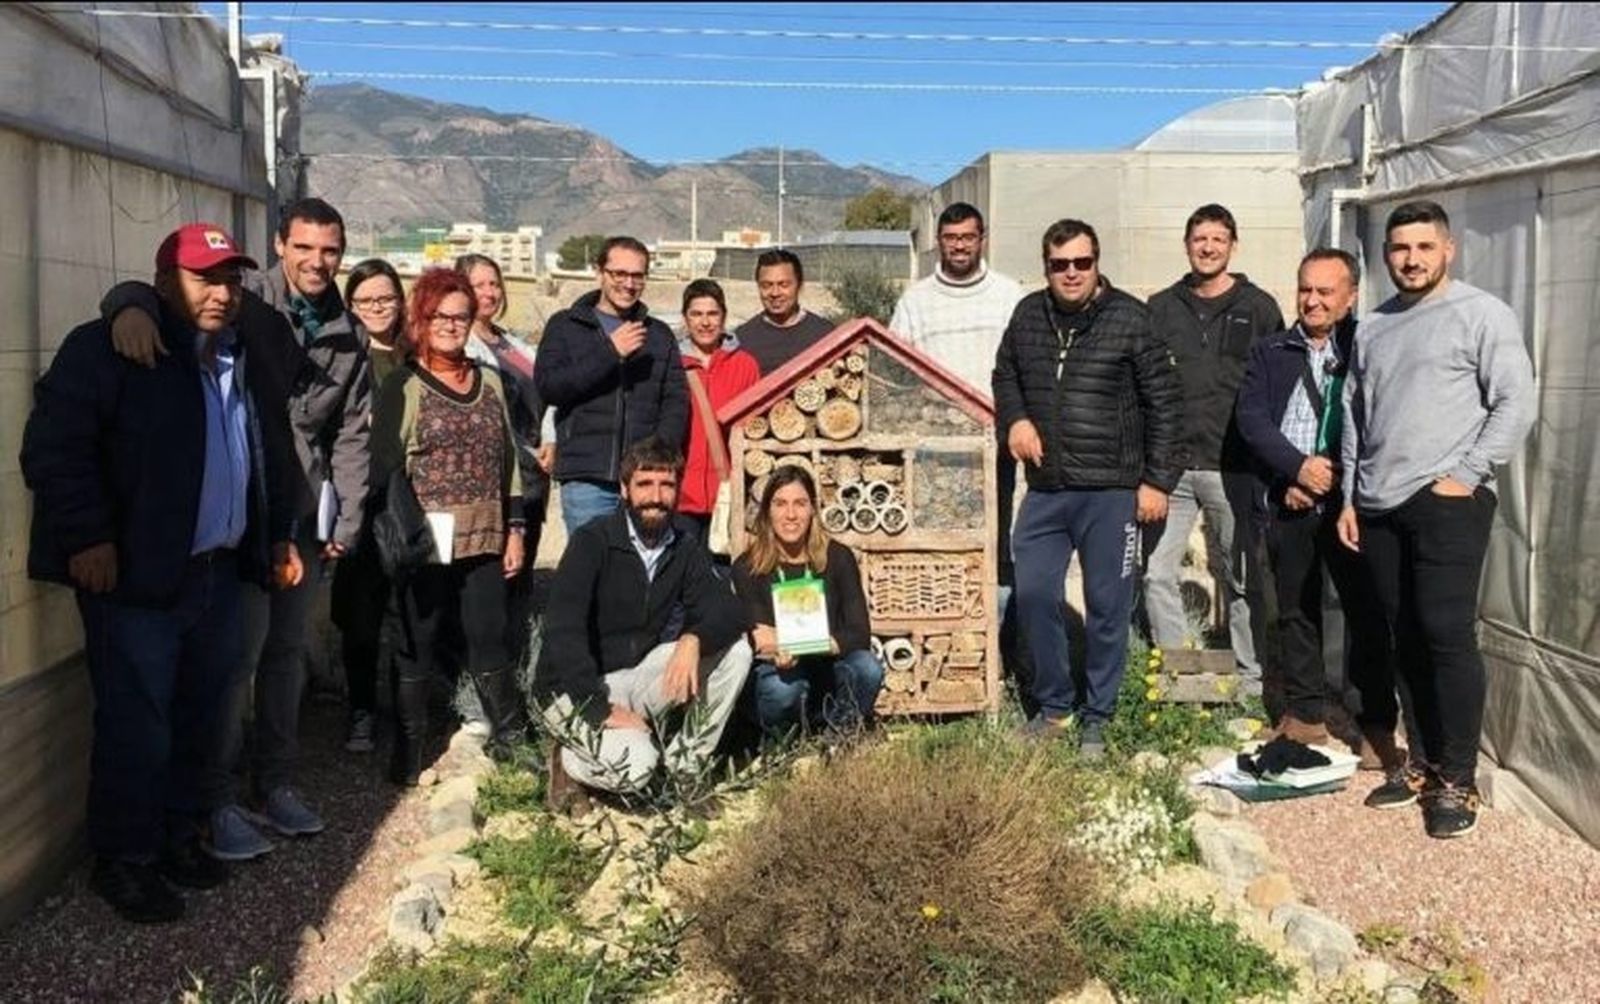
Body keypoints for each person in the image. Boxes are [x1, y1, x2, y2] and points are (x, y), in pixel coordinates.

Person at [20, 223, 302, 922]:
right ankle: (126, 860)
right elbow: (55, 447)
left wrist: (269, 537)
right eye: (205, 278)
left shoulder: (237, 355)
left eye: (231, 279)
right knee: (136, 724)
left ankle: (177, 836)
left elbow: (259, 456)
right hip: (138, 580)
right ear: (163, 281)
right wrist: (87, 536)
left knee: (202, 718)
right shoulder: (114, 348)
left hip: (218, 573)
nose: (221, 292)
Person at [102, 197, 370, 856]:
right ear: (280, 246)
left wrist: (349, 519)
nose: (317, 261)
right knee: (233, 659)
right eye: (304, 247)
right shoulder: (245, 299)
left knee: (284, 655)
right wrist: (126, 306)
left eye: (330, 250)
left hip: (299, 514)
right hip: (243, 513)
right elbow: (158, 287)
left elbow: (354, 433)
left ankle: (275, 781)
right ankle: (214, 796)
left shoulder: (347, 330)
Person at [1337, 201, 1534, 839]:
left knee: (1446, 632)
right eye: (1399, 248)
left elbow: (1515, 400)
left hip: (1446, 498)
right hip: (1378, 501)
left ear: (1447, 250)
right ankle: (1419, 761)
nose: (1411, 259)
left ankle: (1458, 778)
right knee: (1402, 633)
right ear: (1385, 255)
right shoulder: (1372, 326)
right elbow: (1356, 417)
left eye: (1424, 247)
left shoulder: (1480, 314)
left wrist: (1468, 475)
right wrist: (1347, 495)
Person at [992, 219, 1183, 756]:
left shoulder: (1130, 318)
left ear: (1097, 262)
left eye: (1082, 262)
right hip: (1048, 489)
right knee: (1032, 595)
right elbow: (1004, 373)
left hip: (1112, 491)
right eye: (1060, 264)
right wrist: (1016, 420)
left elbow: (1165, 404)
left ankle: (1097, 715)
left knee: (1107, 605)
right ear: (1046, 267)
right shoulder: (1029, 314)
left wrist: (1156, 480)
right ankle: (1055, 709)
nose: (1071, 273)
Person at [1235, 249, 1400, 761]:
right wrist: (1294, 470)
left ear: (1350, 297)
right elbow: (1252, 418)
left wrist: (1328, 470)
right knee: (1296, 611)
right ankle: (1306, 715)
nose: (1312, 300)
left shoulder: (1366, 347)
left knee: (1364, 611)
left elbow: (1380, 416)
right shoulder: (1271, 351)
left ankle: (1375, 722)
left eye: (1325, 292)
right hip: (1292, 498)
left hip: (1351, 501)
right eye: (1306, 289)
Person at [370, 268, 531, 785]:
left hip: (484, 530)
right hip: (427, 533)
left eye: (461, 317)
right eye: (441, 316)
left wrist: (517, 528)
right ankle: (409, 748)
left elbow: (508, 459)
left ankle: (511, 737)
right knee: (418, 636)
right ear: (421, 319)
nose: (452, 326)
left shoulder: (490, 383)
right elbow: (384, 466)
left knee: (488, 635)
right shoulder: (404, 386)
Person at [532, 437, 752, 803]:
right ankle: (567, 761)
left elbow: (729, 611)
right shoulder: (593, 542)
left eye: (666, 485)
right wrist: (599, 710)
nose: (655, 496)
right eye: (644, 484)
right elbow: (563, 631)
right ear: (624, 489)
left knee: (737, 651)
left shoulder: (682, 547)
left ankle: (686, 766)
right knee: (637, 769)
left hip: (634, 678)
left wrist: (693, 639)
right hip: (574, 690)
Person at [1142, 204, 1284, 693]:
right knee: (1158, 572)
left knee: (1240, 576)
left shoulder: (1259, 307)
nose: (1208, 247)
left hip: (1235, 467)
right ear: (1187, 245)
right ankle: (1184, 679)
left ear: (1232, 246)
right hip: (1172, 469)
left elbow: (1277, 385)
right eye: (1199, 239)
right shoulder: (1160, 308)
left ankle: (1249, 682)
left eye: (1217, 239)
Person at [888, 201, 1028, 692]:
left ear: (982, 238)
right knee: (937, 552)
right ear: (939, 242)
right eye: (951, 238)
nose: (960, 246)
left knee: (995, 550)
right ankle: (942, 653)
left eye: (968, 237)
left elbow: (1024, 366)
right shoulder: (915, 301)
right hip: (934, 456)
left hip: (995, 451)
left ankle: (996, 654)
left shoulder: (1010, 296)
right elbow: (896, 376)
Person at [534, 236, 688, 533]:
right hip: (587, 479)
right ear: (599, 272)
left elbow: (675, 401)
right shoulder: (565, 326)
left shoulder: (659, 335)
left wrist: (657, 458)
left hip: (645, 479)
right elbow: (550, 386)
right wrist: (609, 353)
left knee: (645, 570)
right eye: (619, 274)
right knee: (592, 567)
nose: (628, 284)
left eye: (637, 276)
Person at [731, 467, 883, 739]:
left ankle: (840, 736)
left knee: (867, 668)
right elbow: (760, 636)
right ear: (767, 512)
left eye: (800, 504)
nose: (791, 515)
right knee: (782, 688)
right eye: (781, 504)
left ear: (812, 509)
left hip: (829, 669)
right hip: (779, 671)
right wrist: (776, 645)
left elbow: (859, 633)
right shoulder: (747, 567)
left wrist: (804, 642)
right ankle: (782, 745)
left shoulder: (838, 557)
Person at [456, 253, 550, 683]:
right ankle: (478, 685)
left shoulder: (513, 343)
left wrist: (552, 441)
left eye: (494, 283)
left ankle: (515, 677)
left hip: (532, 481)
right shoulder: (460, 349)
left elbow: (549, 397)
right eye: (478, 285)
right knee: (486, 587)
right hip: (490, 484)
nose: (490, 293)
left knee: (520, 582)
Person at [330, 258, 406, 754]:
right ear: (350, 305)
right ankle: (361, 708)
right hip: (361, 501)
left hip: (413, 503)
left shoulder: (418, 356)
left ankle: (408, 711)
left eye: (386, 298)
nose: (377, 308)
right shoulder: (342, 357)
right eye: (366, 300)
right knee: (361, 615)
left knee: (413, 610)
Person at [677, 279, 760, 546]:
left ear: (723, 317)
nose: (705, 322)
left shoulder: (745, 365)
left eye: (712, 314)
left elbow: (754, 427)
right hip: (681, 494)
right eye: (696, 314)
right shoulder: (672, 365)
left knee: (723, 577)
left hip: (728, 492)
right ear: (685, 319)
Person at [733, 248, 836, 375]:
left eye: (784, 285)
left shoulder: (825, 335)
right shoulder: (743, 340)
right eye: (766, 285)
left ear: (799, 285)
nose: (775, 293)